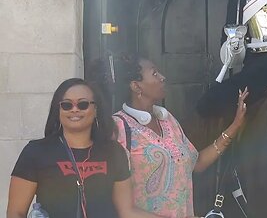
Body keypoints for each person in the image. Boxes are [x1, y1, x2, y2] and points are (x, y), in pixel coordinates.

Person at [89, 53, 249, 218]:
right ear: (136, 86)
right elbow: (124, 210)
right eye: (154, 74)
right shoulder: (118, 128)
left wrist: (235, 125)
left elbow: (197, 163)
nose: (162, 77)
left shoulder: (168, 121)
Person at [7, 78, 158, 218]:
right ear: (58, 110)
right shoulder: (36, 152)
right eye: (66, 105)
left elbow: (127, 211)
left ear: (96, 109)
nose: (74, 110)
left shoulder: (113, 152)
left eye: (82, 104)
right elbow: (16, 213)